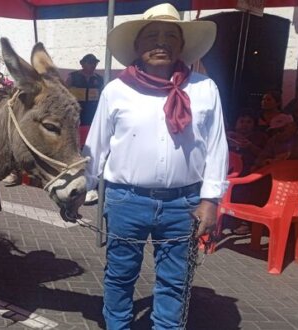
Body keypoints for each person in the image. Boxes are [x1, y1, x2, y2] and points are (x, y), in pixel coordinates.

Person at [82, 3, 228, 329]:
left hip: (184, 204)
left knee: (175, 280)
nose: (160, 42)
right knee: (120, 274)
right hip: (126, 200)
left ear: (181, 46)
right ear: (137, 45)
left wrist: (211, 200)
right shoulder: (116, 91)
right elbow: (96, 147)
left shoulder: (204, 89)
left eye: (169, 36)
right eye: (151, 36)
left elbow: (218, 148)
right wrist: (82, 188)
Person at [66, 54, 104, 204]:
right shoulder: (73, 77)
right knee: (74, 146)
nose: (92, 65)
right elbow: (63, 92)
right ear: (82, 64)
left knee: (87, 147)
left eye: (94, 63)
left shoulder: (99, 79)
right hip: (75, 117)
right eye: (90, 63)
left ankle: (88, 179)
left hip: (91, 118)